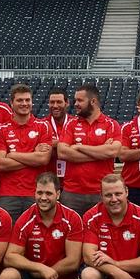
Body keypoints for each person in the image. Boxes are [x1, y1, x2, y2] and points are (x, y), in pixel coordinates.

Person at [57, 84, 123, 215]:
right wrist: (101, 151)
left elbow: (113, 152)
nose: (75, 104)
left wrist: (79, 147)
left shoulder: (111, 124)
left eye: (80, 100)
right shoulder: (71, 124)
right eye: (75, 100)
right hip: (72, 193)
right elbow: (62, 152)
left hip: (102, 192)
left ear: (93, 101)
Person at [0, 83, 53, 221]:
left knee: (36, 237)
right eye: (20, 100)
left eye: (27, 100)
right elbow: (1, 164)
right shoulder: (2, 130)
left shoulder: (43, 126)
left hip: (36, 193)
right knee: (7, 236)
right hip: (8, 194)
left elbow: (43, 160)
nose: (24, 103)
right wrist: (33, 155)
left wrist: (12, 155)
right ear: (11, 103)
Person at [43, 87, 70, 182]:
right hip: (48, 180)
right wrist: (68, 144)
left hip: (71, 180)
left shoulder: (75, 123)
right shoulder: (42, 125)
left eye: (59, 102)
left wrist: (55, 144)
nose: (55, 105)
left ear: (67, 103)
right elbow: (38, 148)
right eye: (52, 102)